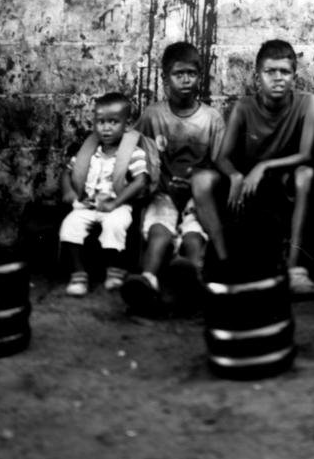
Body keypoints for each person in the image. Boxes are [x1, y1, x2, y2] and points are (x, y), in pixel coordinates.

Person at [193, 39, 314, 294]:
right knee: (201, 180)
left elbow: (306, 155)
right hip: (248, 186)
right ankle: (222, 261)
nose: (278, 78)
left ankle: (294, 269)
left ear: (294, 77)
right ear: (257, 76)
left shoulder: (307, 103)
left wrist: (264, 166)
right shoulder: (244, 107)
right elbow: (222, 157)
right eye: (270, 71)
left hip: (284, 180)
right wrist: (236, 177)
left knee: (305, 175)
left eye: (284, 72)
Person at [120, 42, 225, 315]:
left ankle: (194, 282)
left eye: (191, 73)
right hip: (163, 193)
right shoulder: (154, 115)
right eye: (179, 74)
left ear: (200, 76)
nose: (186, 80)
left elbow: (218, 163)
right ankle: (148, 280)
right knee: (159, 233)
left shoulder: (211, 119)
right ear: (166, 79)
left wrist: (197, 182)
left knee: (193, 238)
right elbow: (131, 148)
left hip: (195, 199)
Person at [59, 92, 153, 297]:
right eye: (101, 122)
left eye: (113, 122)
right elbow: (67, 171)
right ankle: (78, 274)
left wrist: (115, 203)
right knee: (70, 226)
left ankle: (114, 271)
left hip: (117, 205)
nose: (106, 128)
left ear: (126, 125)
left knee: (115, 226)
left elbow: (141, 180)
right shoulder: (90, 151)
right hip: (88, 204)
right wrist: (68, 190)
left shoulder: (134, 153)